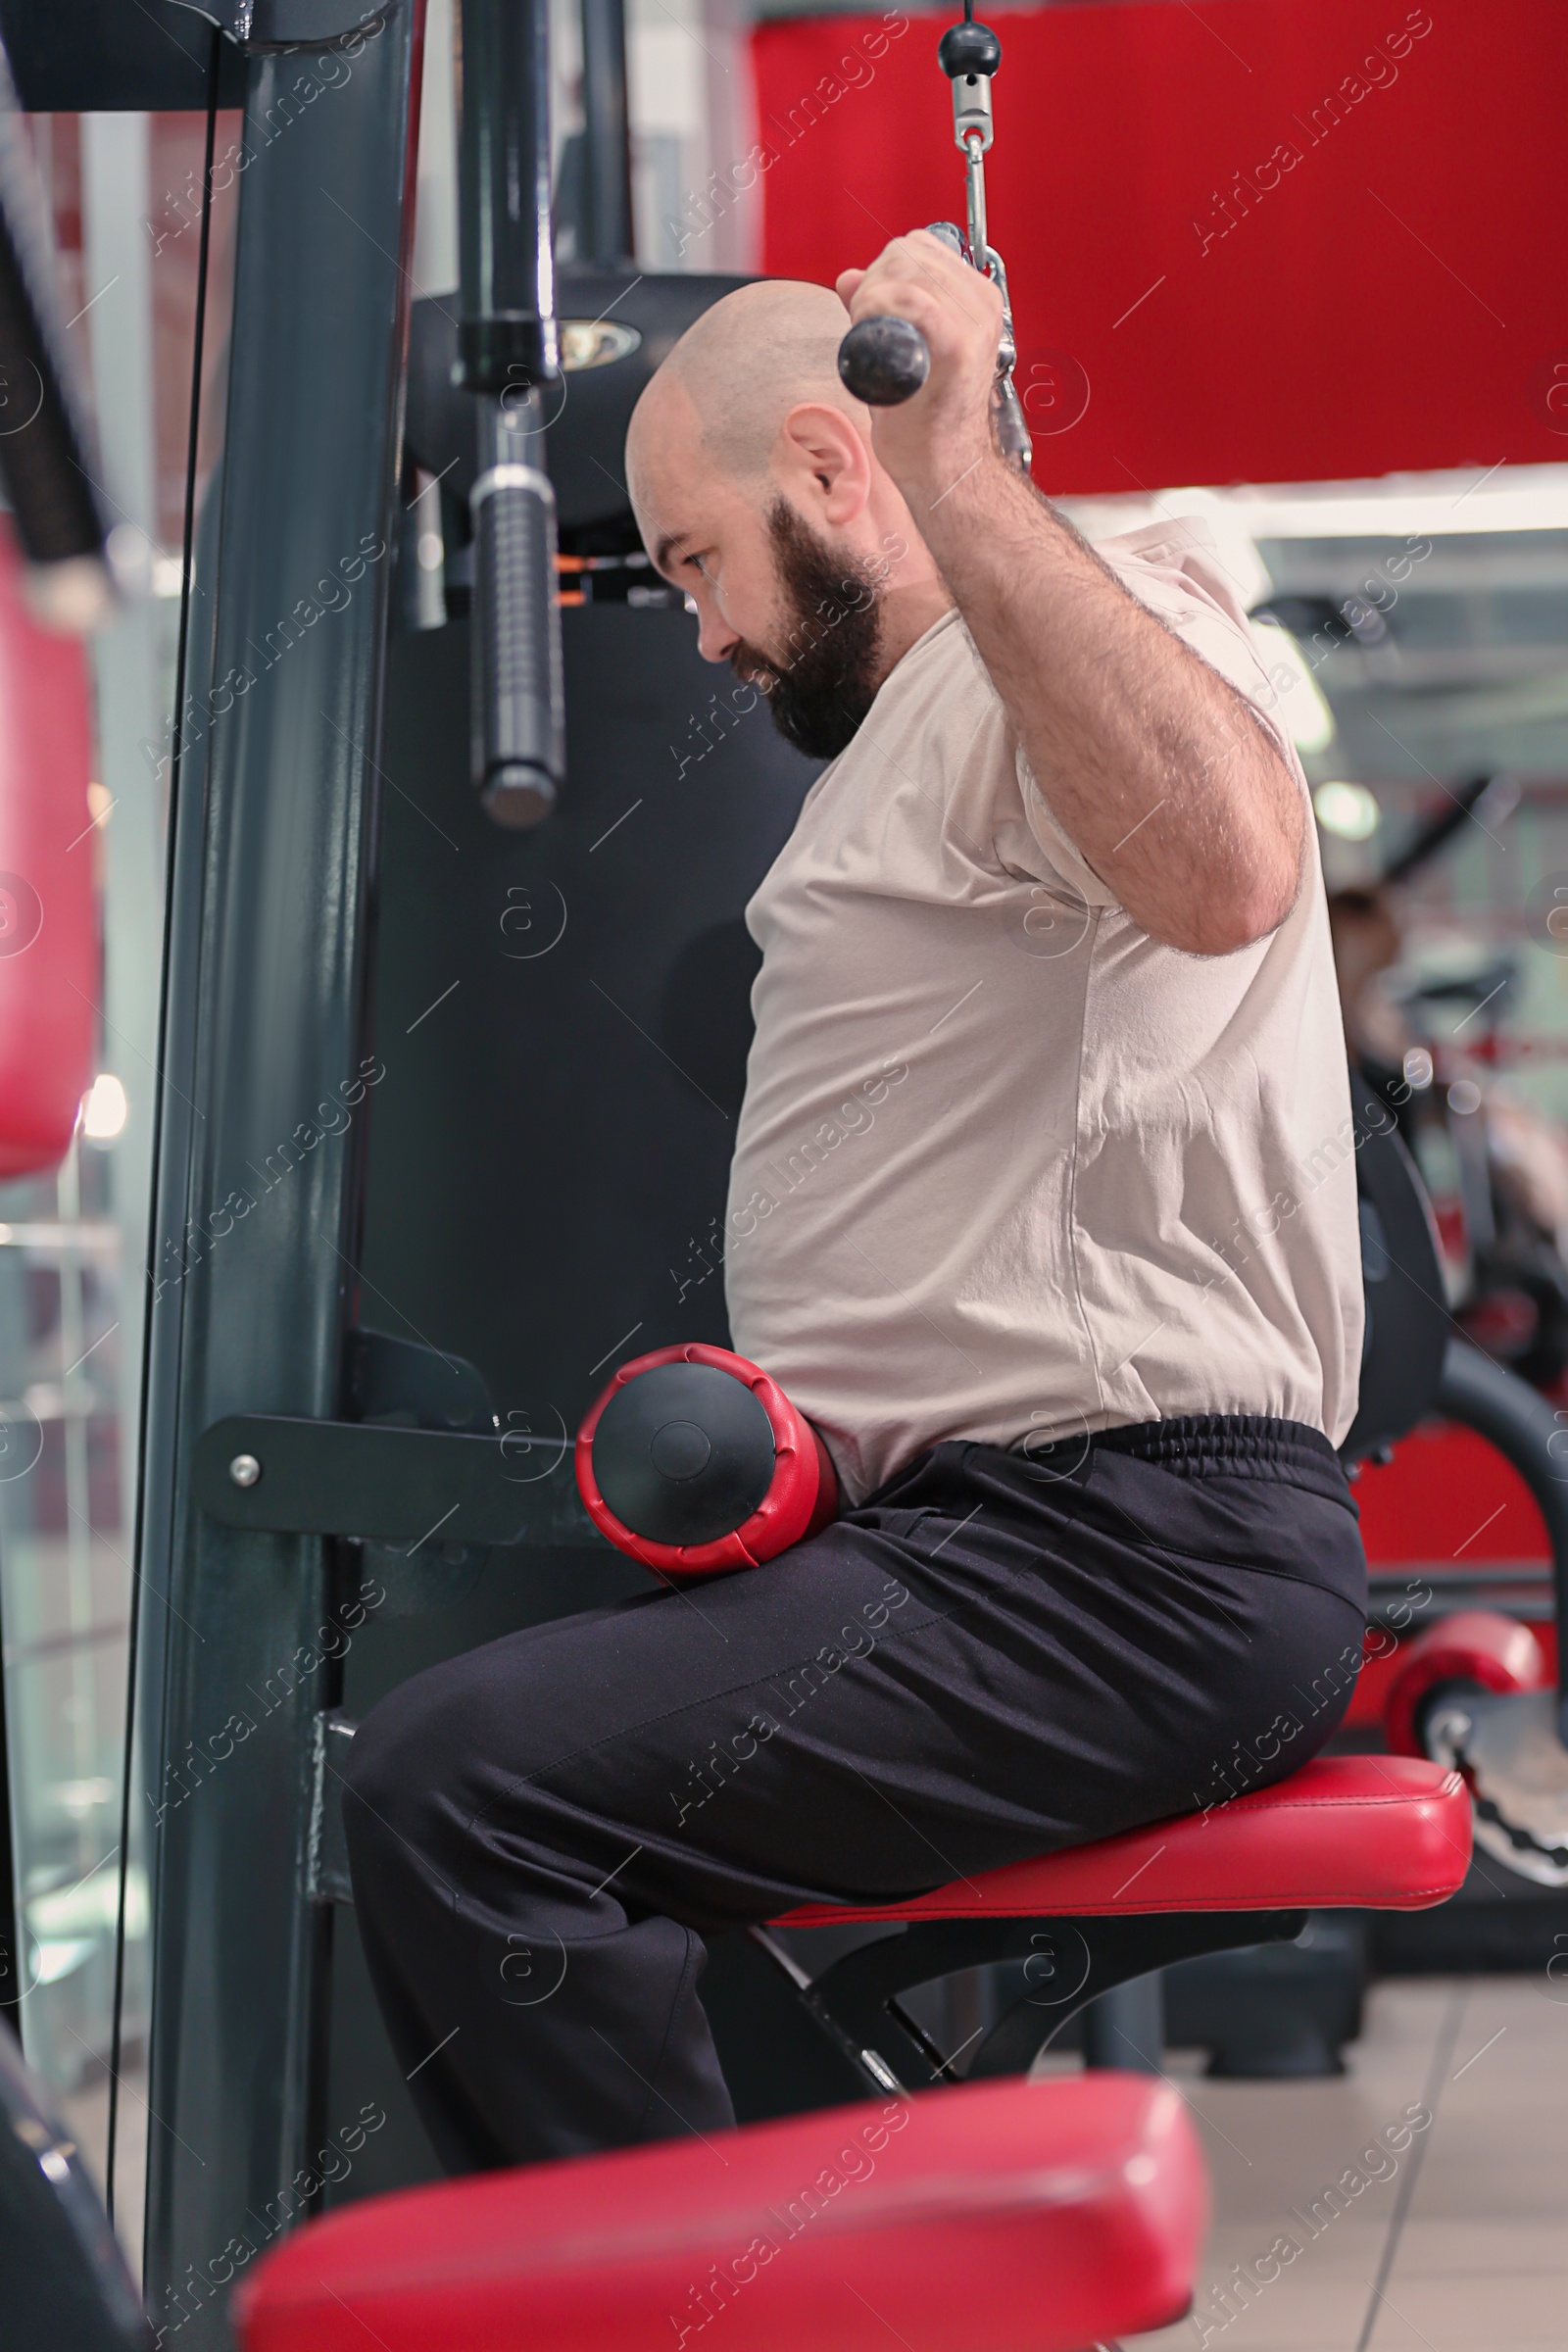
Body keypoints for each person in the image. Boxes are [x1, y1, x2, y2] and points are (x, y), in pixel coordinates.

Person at [343, 237, 1367, 2174]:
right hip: (1014, 1547)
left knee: (463, 1790)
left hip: (1116, 1565)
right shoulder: (928, 728)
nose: (700, 633)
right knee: (512, 1773)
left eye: (690, 562)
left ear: (829, 467)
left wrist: (958, 460)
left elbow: (1228, 863)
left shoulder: (1030, 654)